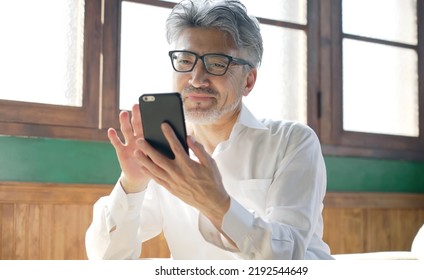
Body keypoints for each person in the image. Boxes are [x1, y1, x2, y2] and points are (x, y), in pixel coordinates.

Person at [85, 0, 332, 260]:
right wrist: (132, 185)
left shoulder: (293, 142)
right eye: (185, 60)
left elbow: (288, 258)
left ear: (248, 81)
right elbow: (107, 260)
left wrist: (216, 204)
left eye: (216, 63)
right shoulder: (166, 153)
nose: (196, 79)